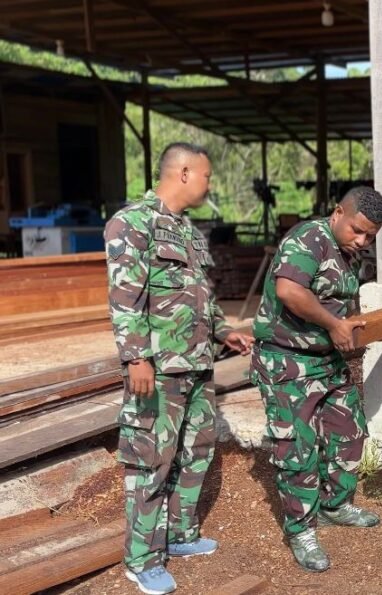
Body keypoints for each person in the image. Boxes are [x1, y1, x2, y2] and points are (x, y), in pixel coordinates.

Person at [104, 142, 253, 595]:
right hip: (159, 368)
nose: (210, 185)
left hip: (196, 364)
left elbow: (197, 297)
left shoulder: (187, 233)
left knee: (197, 450)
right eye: (206, 176)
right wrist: (136, 357)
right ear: (184, 173)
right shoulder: (131, 223)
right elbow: (125, 297)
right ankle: (142, 559)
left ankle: (179, 534)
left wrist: (223, 330)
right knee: (151, 459)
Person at [251, 186, 382, 572]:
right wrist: (335, 324)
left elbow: (341, 308)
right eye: (357, 230)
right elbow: (289, 290)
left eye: (370, 236)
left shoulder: (350, 252)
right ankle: (301, 530)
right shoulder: (308, 239)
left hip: (325, 359)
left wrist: (369, 328)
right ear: (337, 213)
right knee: (297, 448)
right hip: (286, 361)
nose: (362, 240)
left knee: (349, 431)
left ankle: (336, 506)